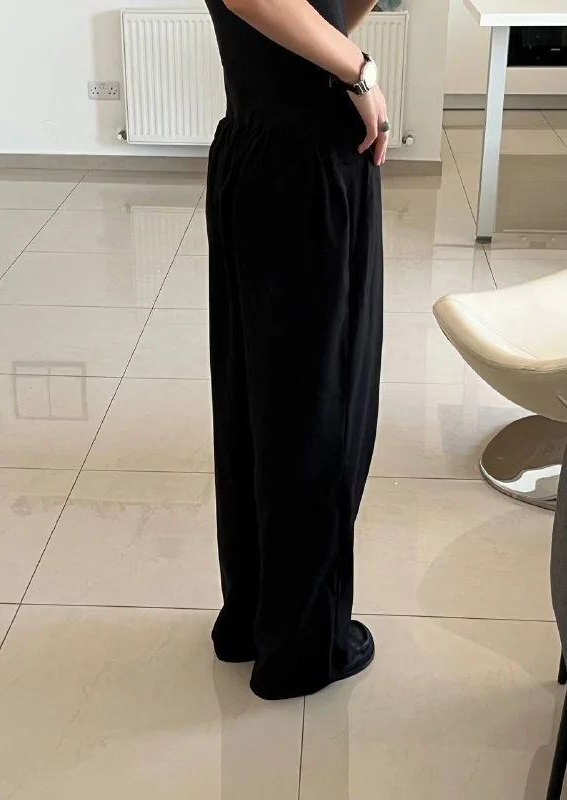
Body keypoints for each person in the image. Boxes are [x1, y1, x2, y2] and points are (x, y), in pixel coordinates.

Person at [205, 0, 387, 700]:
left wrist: (347, 55)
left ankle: (258, 618)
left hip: (261, 148)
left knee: (261, 402)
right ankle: (303, 646)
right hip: (307, 164)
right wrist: (360, 72)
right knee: (319, 410)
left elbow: (320, 13)